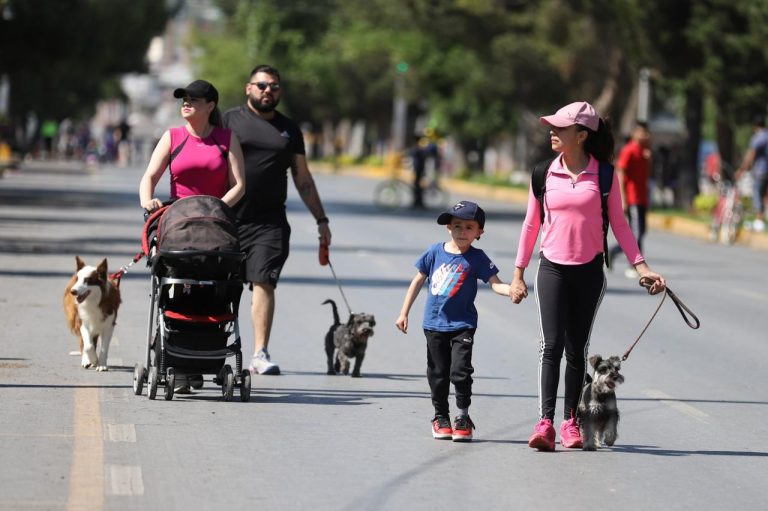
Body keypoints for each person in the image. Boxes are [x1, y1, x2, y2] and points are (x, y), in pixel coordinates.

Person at [510, 101, 666, 451]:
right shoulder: (543, 173)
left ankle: (570, 422)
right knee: (550, 347)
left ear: (581, 135)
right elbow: (531, 224)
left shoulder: (606, 176)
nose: (552, 132)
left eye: (560, 128)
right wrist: (518, 274)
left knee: (576, 350)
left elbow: (622, 225)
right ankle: (545, 422)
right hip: (551, 268)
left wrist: (641, 267)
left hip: (589, 272)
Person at [223, 65, 331, 375]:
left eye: (274, 87)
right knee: (220, 285)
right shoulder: (228, 120)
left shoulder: (289, 130)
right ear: (248, 88)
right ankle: (213, 348)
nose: (267, 91)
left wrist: (321, 219)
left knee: (264, 281)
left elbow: (303, 178)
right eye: (261, 85)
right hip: (227, 218)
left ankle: (260, 353)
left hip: (269, 222)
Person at [396, 201, 511, 442]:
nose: (462, 232)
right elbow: (417, 281)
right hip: (434, 324)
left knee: (460, 371)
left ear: (480, 232)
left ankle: (462, 417)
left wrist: (511, 290)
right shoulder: (434, 252)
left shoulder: (478, 258)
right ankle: (440, 417)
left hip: (463, 324)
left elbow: (495, 283)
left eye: (469, 227)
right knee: (438, 373)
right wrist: (404, 312)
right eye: (457, 225)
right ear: (448, 227)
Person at [139, 79, 245, 211]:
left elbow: (239, 185)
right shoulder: (171, 136)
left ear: (210, 106)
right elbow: (150, 176)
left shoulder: (227, 138)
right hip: (178, 218)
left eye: (193, 99)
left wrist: (218, 208)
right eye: (184, 99)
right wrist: (147, 201)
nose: (186, 103)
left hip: (215, 218)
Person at [607, 121, 652, 277]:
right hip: (632, 198)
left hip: (642, 198)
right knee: (636, 233)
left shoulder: (644, 151)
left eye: (647, 133)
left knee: (642, 231)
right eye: (642, 132)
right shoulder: (629, 150)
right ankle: (633, 265)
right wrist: (623, 198)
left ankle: (613, 251)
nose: (646, 135)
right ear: (634, 133)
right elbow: (620, 173)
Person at [735, 115, 768, 232]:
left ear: (755, 126)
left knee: (757, 194)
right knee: (764, 195)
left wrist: (741, 169)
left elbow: (751, 155)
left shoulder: (758, 138)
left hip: (761, 171)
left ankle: (759, 221)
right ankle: (761, 219)